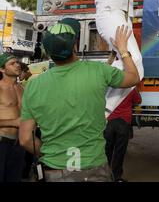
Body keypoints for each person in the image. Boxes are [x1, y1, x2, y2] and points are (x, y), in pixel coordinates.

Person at [19, 19, 140, 182]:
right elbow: (133, 78)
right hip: (93, 169)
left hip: (52, 170)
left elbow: (26, 139)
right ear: (75, 46)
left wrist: (51, 154)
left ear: (47, 52)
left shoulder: (33, 86)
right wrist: (123, 50)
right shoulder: (99, 71)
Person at [87, 0, 144, 116]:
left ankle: (103, 109)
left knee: (138, 70)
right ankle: (99, 103)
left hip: (123, 17)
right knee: (133, 61)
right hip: (110, 14)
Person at [104, 88, 141, 182]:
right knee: (119, 152)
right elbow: (138, 101)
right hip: (123, 123)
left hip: (109, 122)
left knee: (107, 151)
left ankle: (105, 176)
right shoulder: (131, 89)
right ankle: (116, 177)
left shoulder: (108, 88)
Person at [0, 53, 25, 182]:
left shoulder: (22, 89)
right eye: (12, 63)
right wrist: (14, 122)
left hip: (19, 144)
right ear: (2, 69)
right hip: (2, 142)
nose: (17, 65)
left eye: (17, 62)